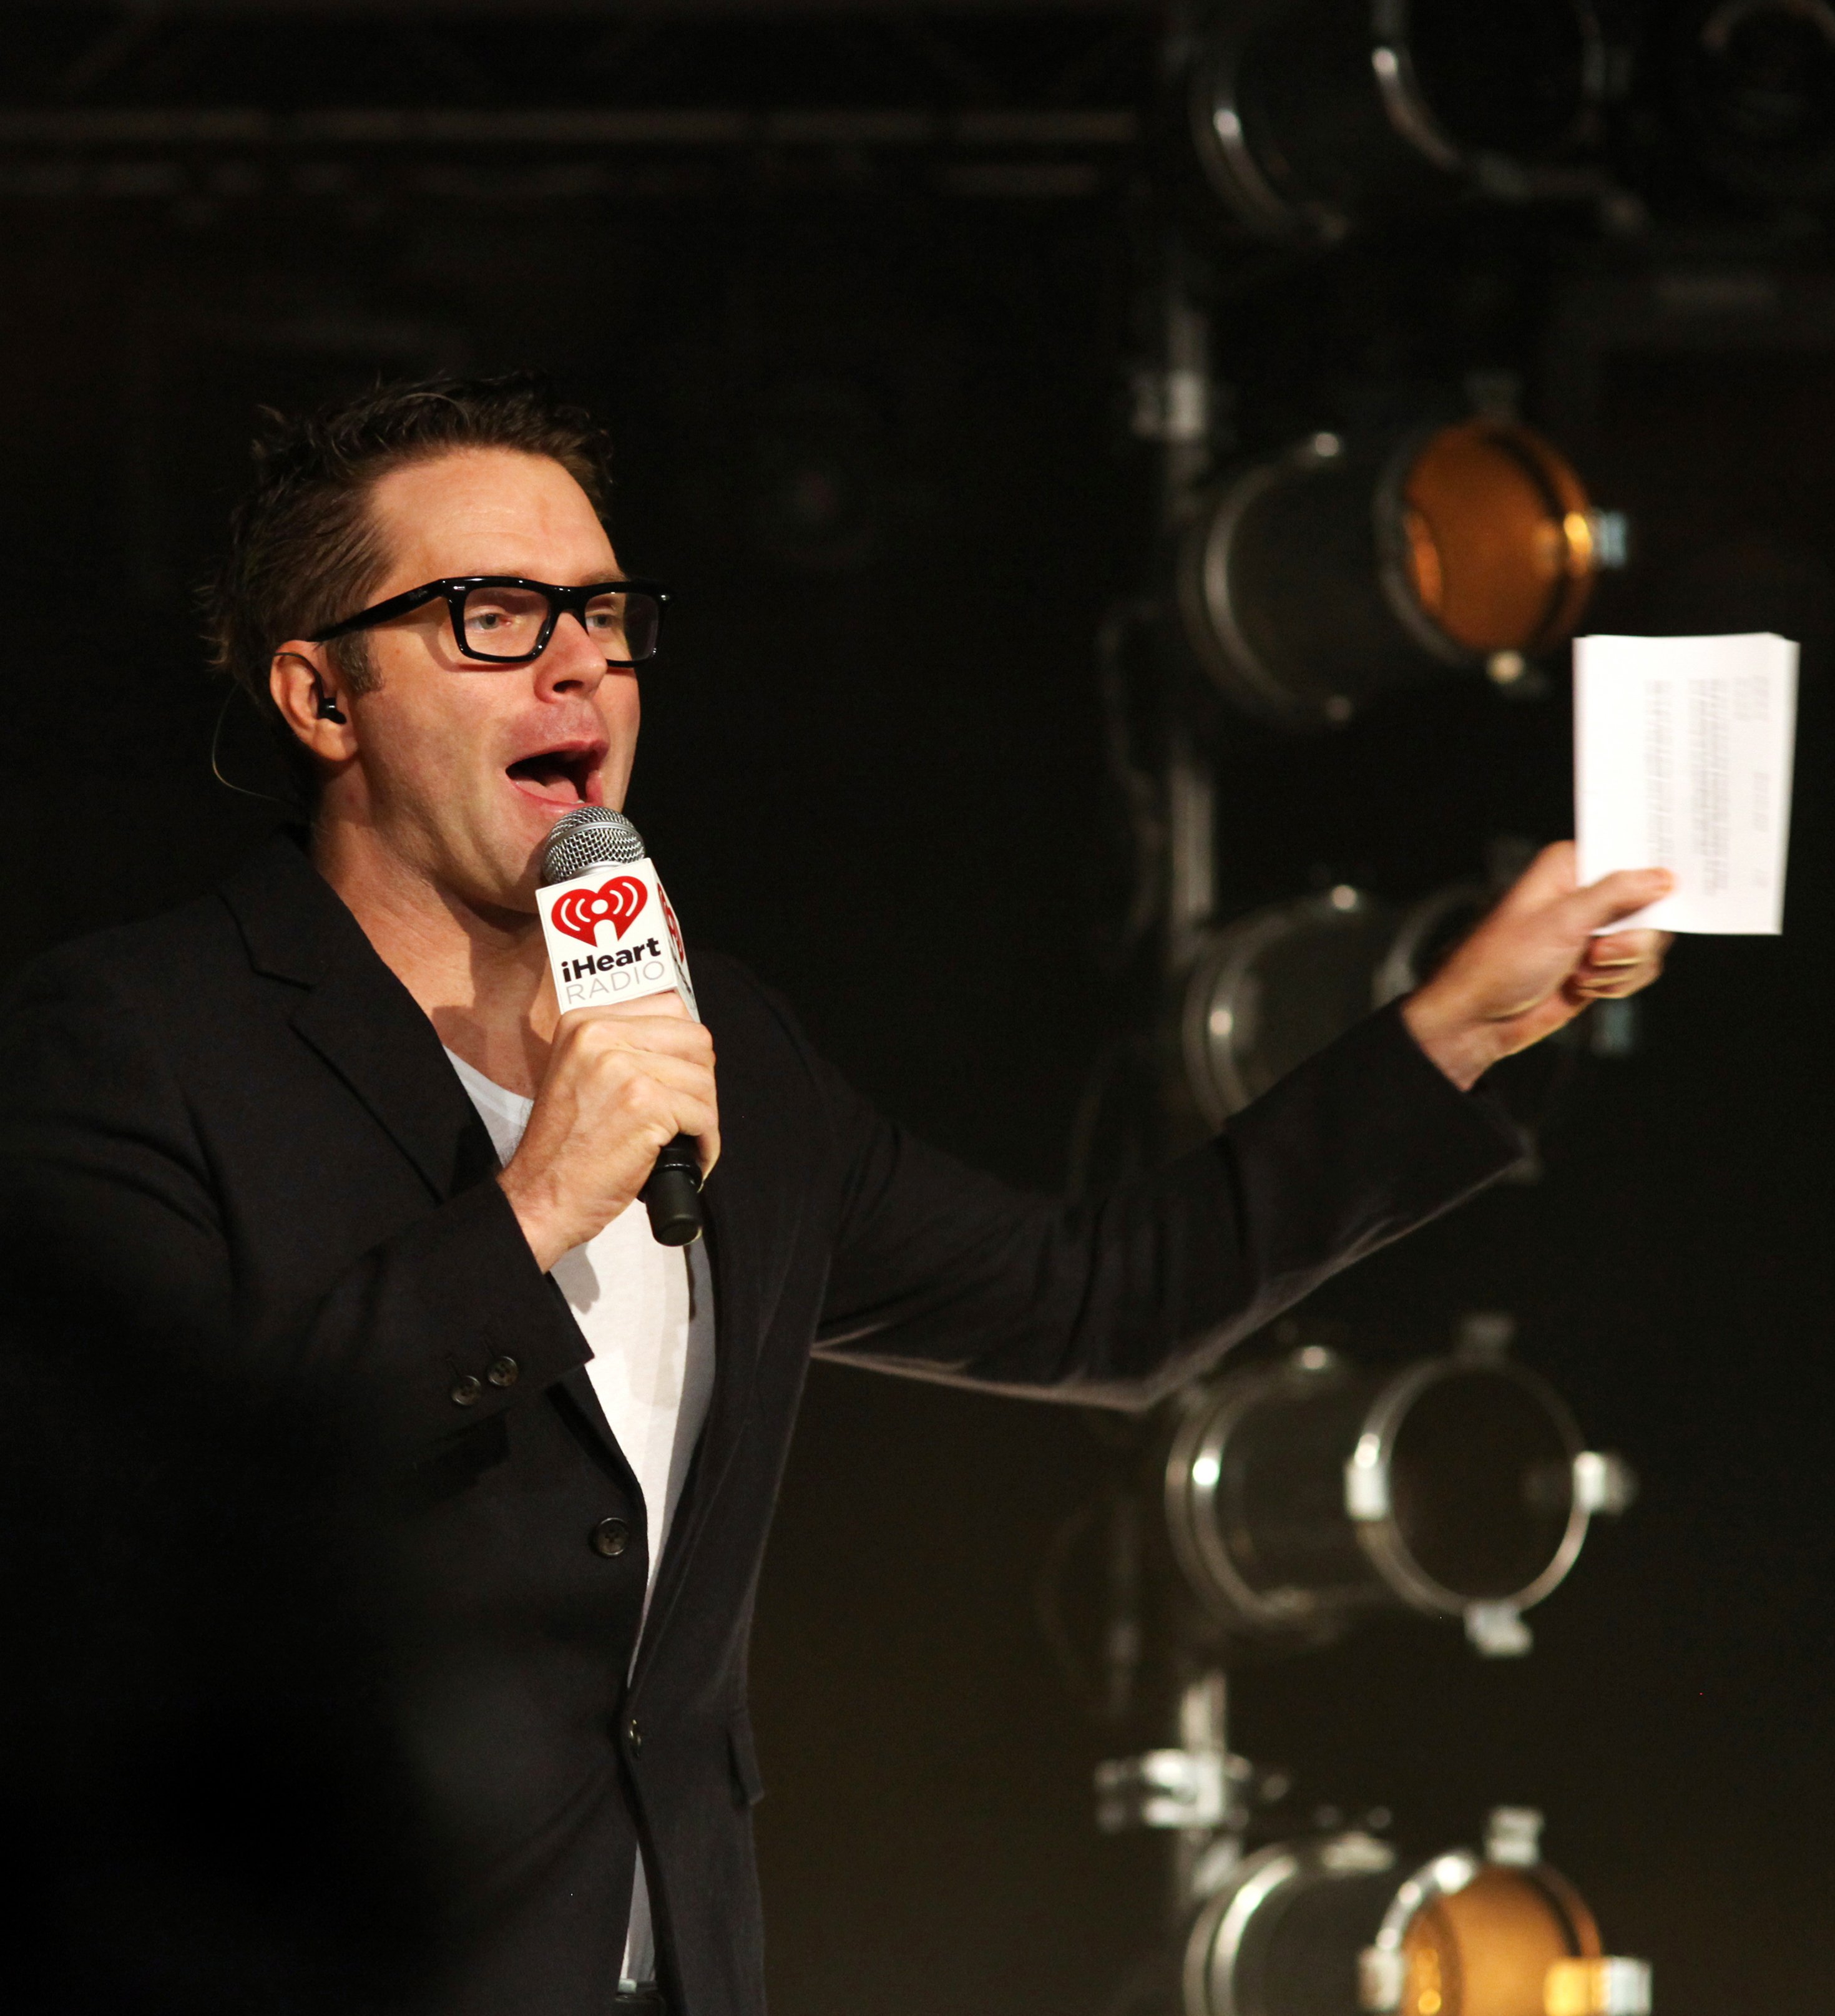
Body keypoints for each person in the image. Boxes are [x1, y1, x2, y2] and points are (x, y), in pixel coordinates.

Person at [0, 375, 1669, 2016]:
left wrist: (1454, 1029)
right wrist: (530, 1211)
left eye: (601, 612)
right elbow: (133, 1530)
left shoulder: (721, 1047)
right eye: (494, 616)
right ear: (319, 696)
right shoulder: (143, 1038)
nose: (581, 657)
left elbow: (1102, 1303)